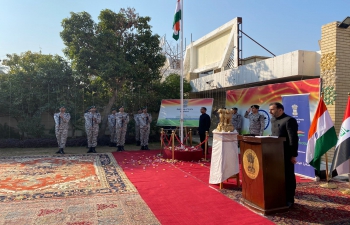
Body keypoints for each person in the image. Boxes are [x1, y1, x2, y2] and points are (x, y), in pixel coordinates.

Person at [269, 102, 298, 208]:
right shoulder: (273, 120)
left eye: (272, 109)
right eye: (270, 109)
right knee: (277, 177)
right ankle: (279, 196)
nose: (270, 111)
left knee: (288, 177)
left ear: (280, 110)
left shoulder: (289, 120)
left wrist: (293, 155)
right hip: (275, 154)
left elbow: (293, 139)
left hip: (286, 154)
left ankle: (290, 199)